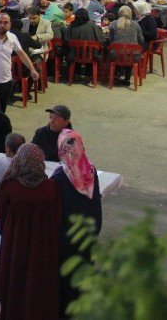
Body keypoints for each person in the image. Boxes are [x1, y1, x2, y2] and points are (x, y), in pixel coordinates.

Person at [0, 143, 61, 320]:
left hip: (14, 245)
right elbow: (56, 218)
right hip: (42, 248)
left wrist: (11, 234)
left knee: (13, 282)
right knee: (38, 285)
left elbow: (0, 218)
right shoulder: (51, 188)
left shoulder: (9, 187)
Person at [53, 129, 103, 315]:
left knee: (66, 280)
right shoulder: (90, 171)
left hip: (67, 238)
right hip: (88, 233)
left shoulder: (59, 176)